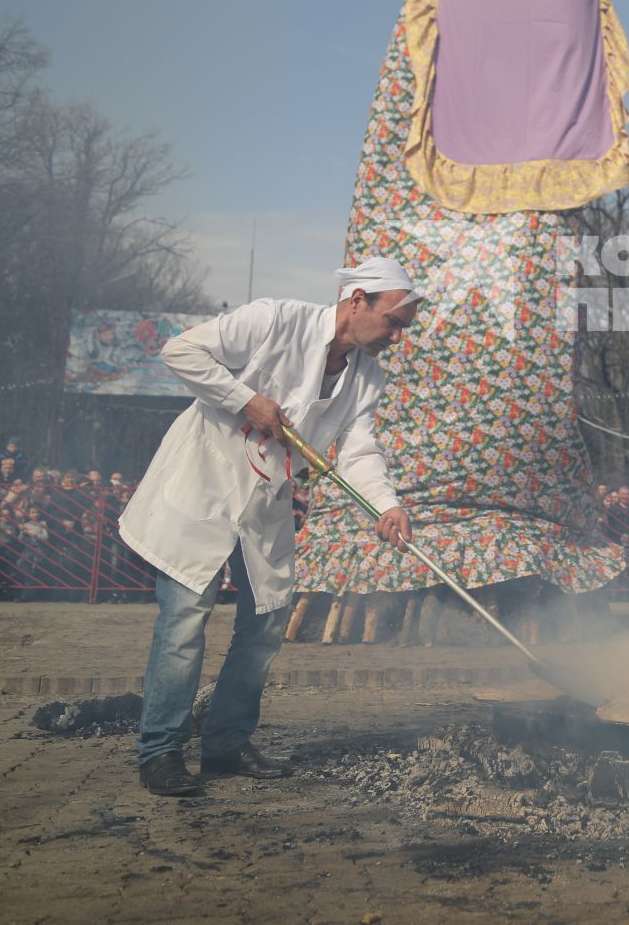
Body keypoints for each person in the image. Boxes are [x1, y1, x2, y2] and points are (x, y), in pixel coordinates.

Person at [119, 256, 421, 797]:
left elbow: (358, 450)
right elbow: (179, 349)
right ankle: (160, 750)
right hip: (202, 487)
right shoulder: (275, 320)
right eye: (394, 322)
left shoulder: (367, 377)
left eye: (404, 328)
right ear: (358, 301)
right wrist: (246, 400)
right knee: (185, 624)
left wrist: (387, 505)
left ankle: (226, 744)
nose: (397, 337)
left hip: (265, 503)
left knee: (264, 625)